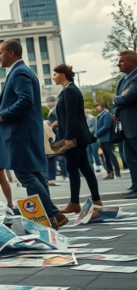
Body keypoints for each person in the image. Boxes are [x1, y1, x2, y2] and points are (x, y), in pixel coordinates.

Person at [0, 40, 66, 228]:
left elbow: (25, 100)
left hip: (20, 133)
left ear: (11, 53)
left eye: (0, 52)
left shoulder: (19, 72)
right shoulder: (22, 71)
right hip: (25, 131)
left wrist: (3, 114)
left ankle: (53, 213)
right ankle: (49, 218)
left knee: (25, 175)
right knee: (35, 174)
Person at [53, 64, 102, 214]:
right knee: (85, 168)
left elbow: (71, 116)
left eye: (55, 74)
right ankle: (96, 200)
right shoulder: (67, 90)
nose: (53, 77)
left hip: (74, 137)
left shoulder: (70, 91)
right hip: (77, 136)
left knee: (72, 168)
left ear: (63, 75)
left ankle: (74, 203)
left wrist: (68, 137)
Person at [113, 50, 137, 199]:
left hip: (135, 125)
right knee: (130, 159)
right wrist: (116, 107)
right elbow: (119, 98)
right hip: (127, 127)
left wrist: (117, 100)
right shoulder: (123, 80)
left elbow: (127, 98)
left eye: (121, 61)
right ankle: (135, 187)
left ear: (131, 62)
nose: (118, 64)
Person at [95, 102, 120, 180]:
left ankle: (117, 173)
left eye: (98, 106)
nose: (97, 108)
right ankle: (110, 172)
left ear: (103, 106)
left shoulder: (106, 114)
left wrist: (97, 134)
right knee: (106, 156)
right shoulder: (101, 114)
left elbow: (106, 126)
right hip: (103, 138)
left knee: (111, 155)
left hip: (107, 138)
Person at [84, 109, 102, 174]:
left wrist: (87, 131)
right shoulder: (84, 119)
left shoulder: (92, 118)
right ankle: (91, 167)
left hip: (93, 137)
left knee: (95, 152)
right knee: (88, 152)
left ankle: (98, 166)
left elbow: (95, 127)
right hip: (86, 138)